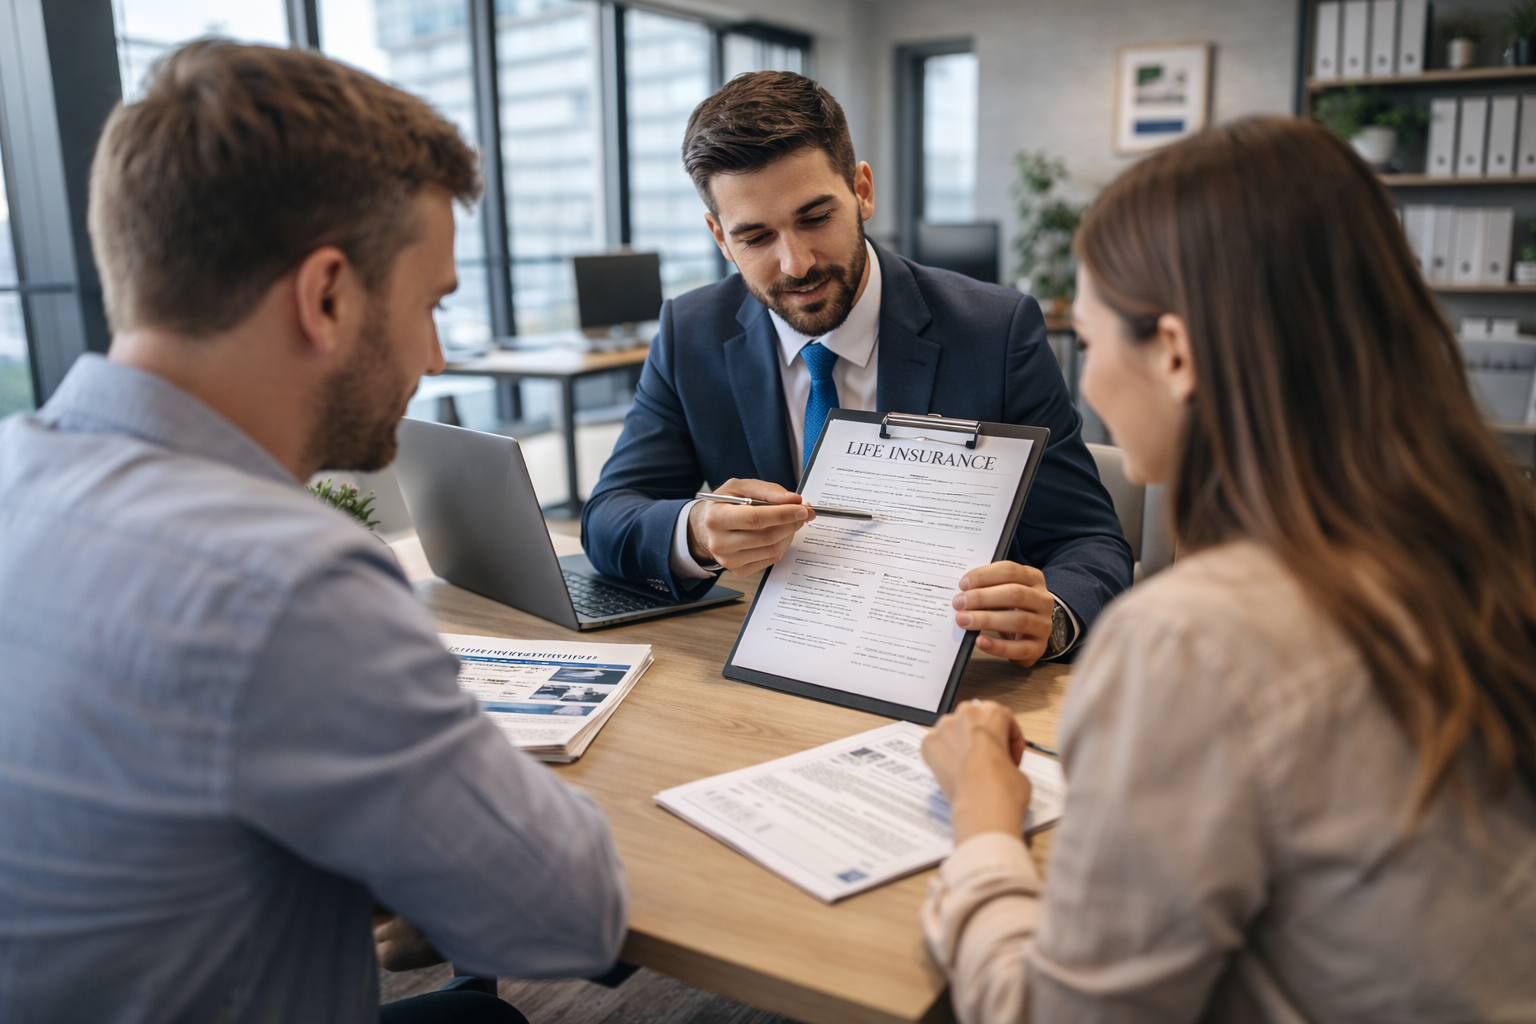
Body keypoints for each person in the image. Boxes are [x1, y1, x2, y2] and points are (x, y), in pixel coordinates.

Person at [0, 41, 628, 1023]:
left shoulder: (16, 470)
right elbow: (575, 915)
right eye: (429, 306)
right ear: (327, 295)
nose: (431, 353)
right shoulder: (282, 579)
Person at [919, 115, 1536, 1023]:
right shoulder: (1494, 530)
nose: (1082, 387)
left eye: (1085, 343)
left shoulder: (1194, 642)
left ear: (1174, 353)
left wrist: (980, 813)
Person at [581, 72, 1130, 666]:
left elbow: (1089, 542)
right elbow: (610, 515)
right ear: (720, 236)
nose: (796, 264)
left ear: (862, 191)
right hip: (776, 661)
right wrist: (696, 532)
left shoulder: (994, 332)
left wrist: (1050, 614)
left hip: (947, 667)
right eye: (757, 237)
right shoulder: (693, 333)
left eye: (815, 217)